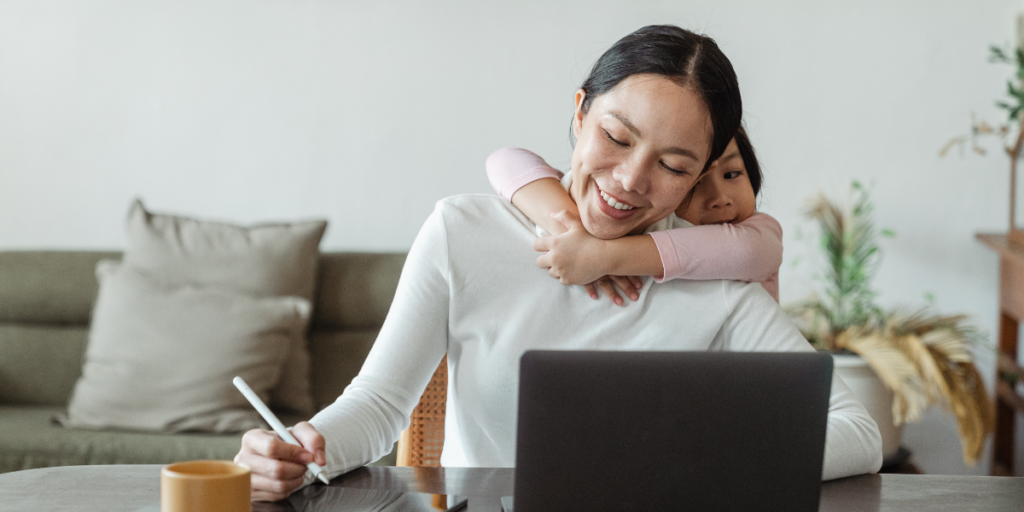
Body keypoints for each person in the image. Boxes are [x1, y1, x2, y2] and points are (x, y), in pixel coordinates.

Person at [235, 25, 883, 502]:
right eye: (617, 137)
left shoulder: (715, 282)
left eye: (673, 165)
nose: (630, 180)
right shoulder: (463, 232)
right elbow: (378, 406)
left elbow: (858, 431)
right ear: (579, 114)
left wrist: (706, 459)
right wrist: (299, 447)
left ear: (699, 177)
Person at [485, 126, 782, 304]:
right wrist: (572, 232)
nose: (720, 200)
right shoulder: (643, 220)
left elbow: (748, 253)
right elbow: (505, 160)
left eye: (733, 174)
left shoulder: (759, 232)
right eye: (695, 184)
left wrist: (603, 255)